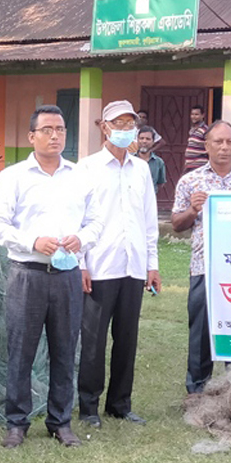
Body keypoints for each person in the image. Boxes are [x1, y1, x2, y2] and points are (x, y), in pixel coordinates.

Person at [0, 105, 104, 448]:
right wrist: (32, 242)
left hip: (67, 276)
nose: (55, 136)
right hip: (27, 275)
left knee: (65, 351)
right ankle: (16, 423)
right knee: (21, 351)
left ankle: (60, 421)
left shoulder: (79, 176)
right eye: (47, 129)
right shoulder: (14, 177)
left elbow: (96, 221)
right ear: (31, 136)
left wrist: (81, 239)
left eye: (61, 129)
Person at [76, 101, 161, 428]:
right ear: (104, 127)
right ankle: (88, 407)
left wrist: (152, 264)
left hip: (133, 266)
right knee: (93, 341)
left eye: (130, 124)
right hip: (99, 265)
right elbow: (77, 218)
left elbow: (149, 221)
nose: (126, 130)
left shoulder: (141, 169)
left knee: (127, 339)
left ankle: (120, 404)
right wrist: (80, 263)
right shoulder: (87, 168)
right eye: (119, 123)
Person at [172, 120, 231, 394]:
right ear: (207, 146)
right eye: (218, 142)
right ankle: (197, 392)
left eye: (229, 142)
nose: (224, 147)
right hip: (205, 269)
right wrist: (192, 210)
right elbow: (177, 224)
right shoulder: (191, 181)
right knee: (201, 333)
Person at [137, 125, 167, 193]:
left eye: (148, 139)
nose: (144, 141)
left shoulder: (159, 162)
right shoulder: (129, 160)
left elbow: (161, 183)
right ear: (137, 140)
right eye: (141, 138)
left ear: (153, 142)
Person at [183, 105, 209, 174]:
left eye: (196, 114)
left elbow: (210, 147)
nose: (193, 117)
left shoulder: (205, 130)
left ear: (203, 115)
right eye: (192, 114)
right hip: (190, 165)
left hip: (200, 166)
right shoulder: (192, 130)